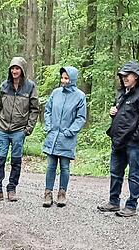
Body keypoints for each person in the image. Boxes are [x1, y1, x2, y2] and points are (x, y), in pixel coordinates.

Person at [96, 61, 139, 217]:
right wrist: (112, 113)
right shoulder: (121, 93)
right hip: (118, 140)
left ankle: (131, 205)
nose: (124, 78)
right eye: (122, 76)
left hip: (133, 143)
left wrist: (136, 138)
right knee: (115, 172)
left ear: (136, 76)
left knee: (134, 174)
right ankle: (113, 201)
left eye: (127, 75)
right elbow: (121, 113)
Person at [0, 57, 40, 203]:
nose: (14, 71)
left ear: (22, 70)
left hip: (19, 130)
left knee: (16, 161)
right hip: (2, 129)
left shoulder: (30, 87)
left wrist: (27, 129)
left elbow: (35, 109)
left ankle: (11, 189)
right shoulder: (4, 86)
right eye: (12, 68)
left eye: (17, 68)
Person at [41, 66, 87, 207]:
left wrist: (70, 131)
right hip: (52, 136)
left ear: (72, 79)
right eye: (62, 77)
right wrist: (48, 126)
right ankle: (48, 193)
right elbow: (48, 110)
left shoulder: (80, 96)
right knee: (51, 166)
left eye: (66, 78)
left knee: (65, 167)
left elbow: (80, 118)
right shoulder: (56, 93)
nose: (63, 80)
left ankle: (62, 194)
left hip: (67, 138)